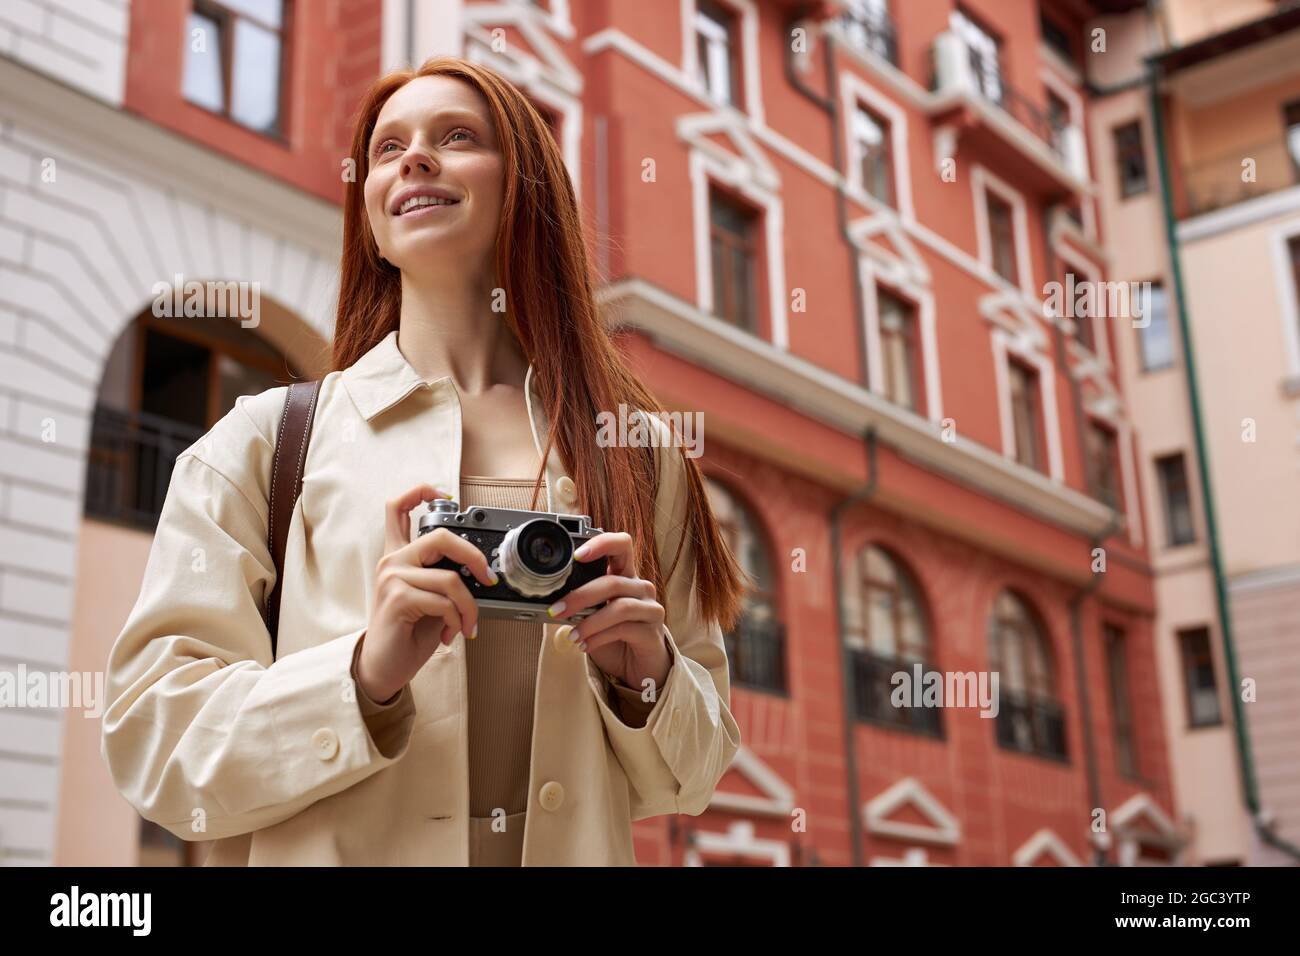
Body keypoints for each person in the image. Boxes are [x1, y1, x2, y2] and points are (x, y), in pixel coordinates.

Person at [100, 56, 746, 866]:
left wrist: (643, 679)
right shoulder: (264, 445)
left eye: (457, 137)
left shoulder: (640, 456)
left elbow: (693, 776)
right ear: (369, 209)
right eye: (386, 148)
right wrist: (364, 677)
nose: (414, 158)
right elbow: (155, 745)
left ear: (526, 184)